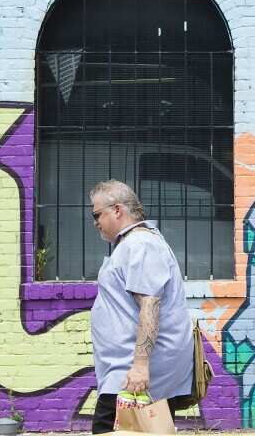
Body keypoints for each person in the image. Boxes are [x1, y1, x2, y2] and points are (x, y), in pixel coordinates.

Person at [88, 180, 193, 434]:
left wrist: (140, 366)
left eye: (97, 214)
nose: (94, 222)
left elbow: (150, 304)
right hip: (126, 369)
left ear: (117, 210)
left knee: (106, 428)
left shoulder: (140, 245)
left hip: (131, 372)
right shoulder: (133, 244)